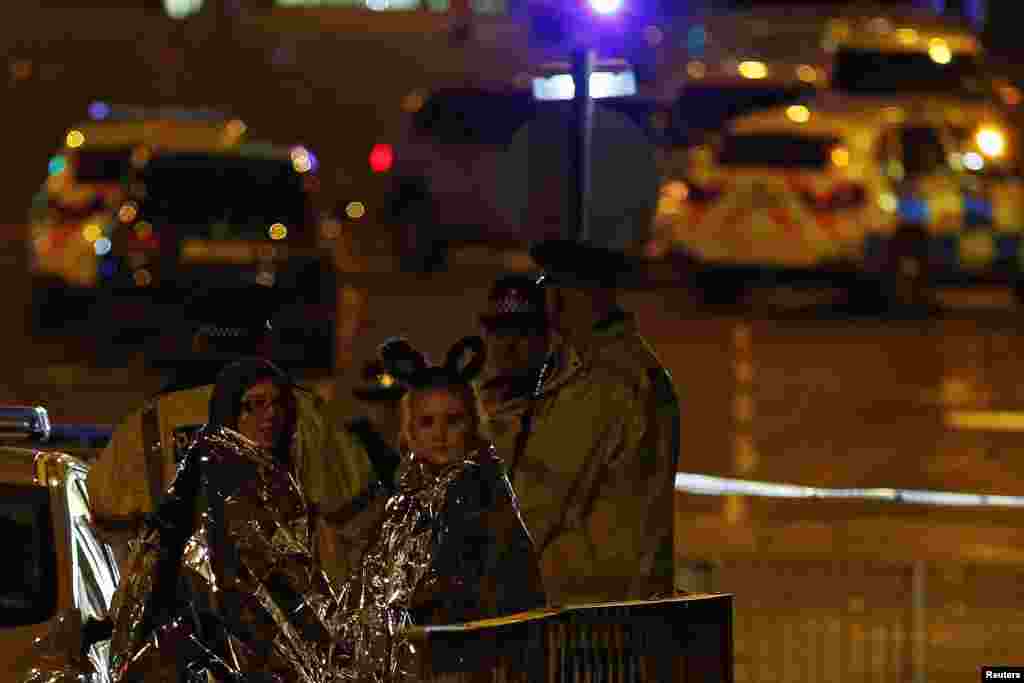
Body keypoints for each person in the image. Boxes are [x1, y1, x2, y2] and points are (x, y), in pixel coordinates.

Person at [87, 285, 374, 568]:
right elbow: (361, 515)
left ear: (198, 341)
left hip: (182, 607)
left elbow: (104, 518)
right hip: (287, 606)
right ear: (263, 341)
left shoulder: (148, 422)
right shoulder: (305, 413)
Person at [109, 359, 345, 683]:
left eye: (277, 404)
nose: (270, 415)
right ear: (231, 410)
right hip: (219, 647)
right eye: (255, 405)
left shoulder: (274, 476)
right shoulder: (219, 475)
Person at [330, 335, 547, 681]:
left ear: (472, 425)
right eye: (427, 422)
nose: (440, 434)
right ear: (410, 431)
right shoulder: (408, 498)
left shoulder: (479, 494)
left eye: (453, 420)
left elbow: (488, 592)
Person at [477, 271, 677, 606]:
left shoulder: (597, 386)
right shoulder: (628, 370)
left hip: (587, 618)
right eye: (497, 331)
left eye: (523, 332)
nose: (508, 345)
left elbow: (529, 516)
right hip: (609, 611)